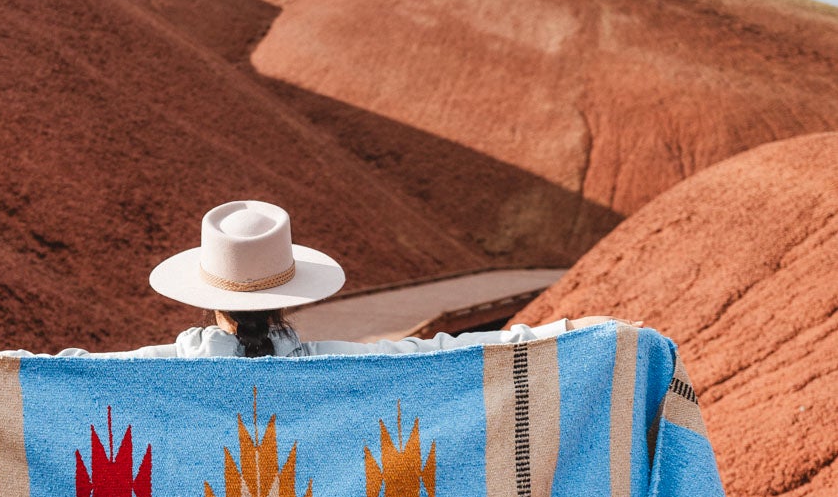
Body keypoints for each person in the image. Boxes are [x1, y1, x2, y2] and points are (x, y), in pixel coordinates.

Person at [58, 200, 609, 359]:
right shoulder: (341, 367)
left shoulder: (155, 374)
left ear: (206, 297)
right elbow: (448, 354)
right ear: (290, 299)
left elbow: (59, 377)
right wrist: (575, 333)